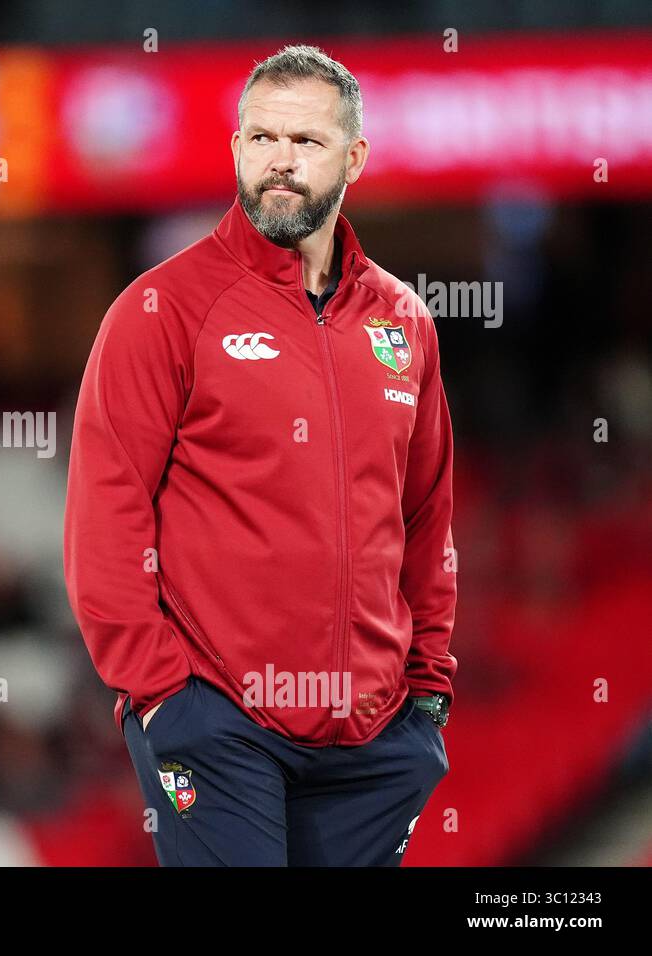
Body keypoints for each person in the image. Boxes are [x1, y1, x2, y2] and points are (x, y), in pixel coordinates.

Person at [62, 45, 454, 866]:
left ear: (354, 158)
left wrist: (428, 690)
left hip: (375, 734)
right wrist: (165, 694)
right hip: (219, 723)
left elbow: (424, 514)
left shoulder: (404, 323)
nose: (279, 160)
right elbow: (106, 513)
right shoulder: (160, 310)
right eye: (260, 138)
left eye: (305, 143)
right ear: (236, 147)